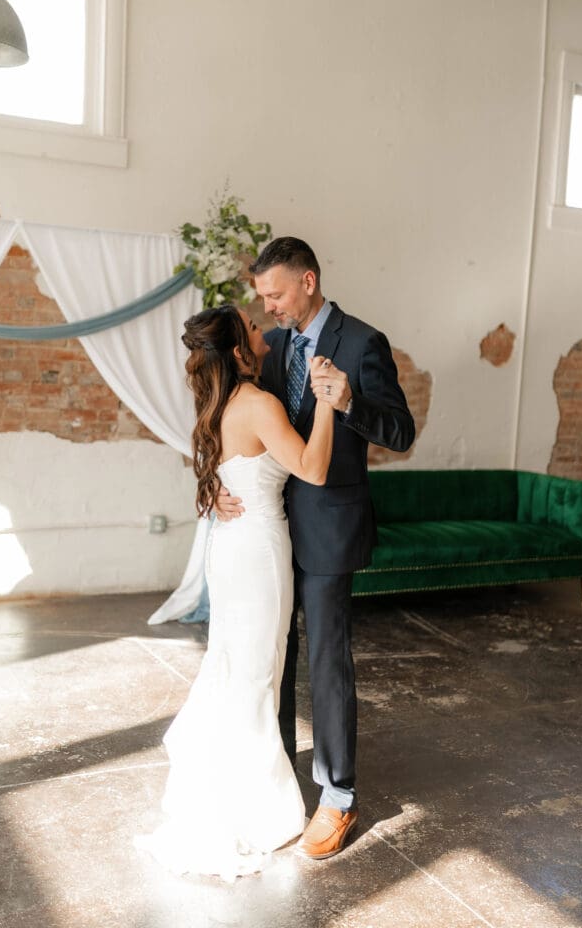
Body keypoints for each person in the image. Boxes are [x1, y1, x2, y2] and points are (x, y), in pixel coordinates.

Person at [217, 237, 415, 860]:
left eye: (275, 294)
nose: (269, 306)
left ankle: (338, 798)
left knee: (328, 661)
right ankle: (275, 778)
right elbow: (225, 422)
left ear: (307, 281)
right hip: (267, 530)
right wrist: (213, 488)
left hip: (329, 529)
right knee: (272, 655)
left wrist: (349, 400)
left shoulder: (363, 343)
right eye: (263, 297)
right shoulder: (268, 347)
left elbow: (402, 432)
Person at [136, 304, 335, 881]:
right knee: (255, 674)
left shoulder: (216, 404)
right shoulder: (261, 405)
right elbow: (314, 469)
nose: (265, 334)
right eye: (254, 328)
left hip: (230, 548)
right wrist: (325, 401)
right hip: (258, 554)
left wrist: (215, 491)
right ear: (239, 349)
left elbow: (217, 472)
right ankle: (251, 809)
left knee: (237, 667)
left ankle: (237, 791)